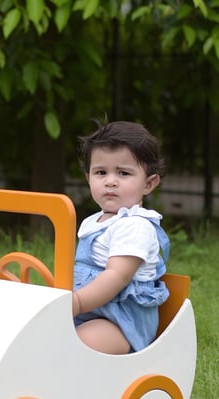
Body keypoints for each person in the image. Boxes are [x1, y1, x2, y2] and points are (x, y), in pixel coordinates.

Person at [72, 120, 170, 355]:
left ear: (148, 184)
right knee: (41, 336)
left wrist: (76, 303)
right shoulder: (93, 222)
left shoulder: (134, 225)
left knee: (78, 346)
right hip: (89, 311)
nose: (110, 180)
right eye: (101, 172)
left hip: (121, 322)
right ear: (89, 178)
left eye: (123, 173)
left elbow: (117, 275)